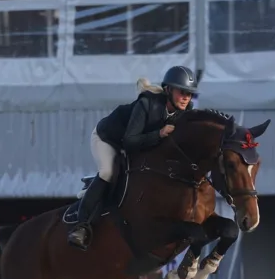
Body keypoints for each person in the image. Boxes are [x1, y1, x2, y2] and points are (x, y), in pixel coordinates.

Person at [67, 65, 199, 250]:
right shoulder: (146, 104)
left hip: (138, 145)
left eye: (190, 94)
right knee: (108, 172)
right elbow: (129, 141)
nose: (186, 97)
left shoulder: (185, 111)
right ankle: (81, 226)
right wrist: (159, 134)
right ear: (168, 90)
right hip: (108, 139)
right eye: (182, 92)